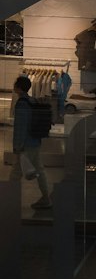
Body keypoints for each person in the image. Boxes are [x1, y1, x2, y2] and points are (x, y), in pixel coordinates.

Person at [11, 74, 52, 210]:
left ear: (18, 88)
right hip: (35, 141)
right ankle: (46, 198)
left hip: (26, 144)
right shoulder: (32, 101)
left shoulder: (22, 103)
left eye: (15, 85)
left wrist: (17, 146)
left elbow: (21, 127)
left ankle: (9, 199)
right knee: (39, 170)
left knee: (16, 173)